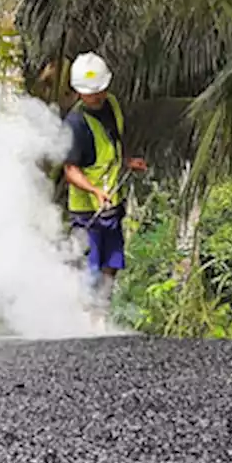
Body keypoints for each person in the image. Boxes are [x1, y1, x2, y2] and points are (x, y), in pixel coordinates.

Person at [62, 52, 147, 311]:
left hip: (111, 201)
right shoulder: (76, 124)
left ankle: (102, 311)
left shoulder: (112, 105)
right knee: (90, 264)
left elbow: (110, 146)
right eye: (90, 93)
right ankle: (84, 318)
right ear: (78, 92)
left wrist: (127, 162)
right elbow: (70, 170)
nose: (96, 97)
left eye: (99, 90)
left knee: (112, 260)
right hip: (87, 208)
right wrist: (94, 190)